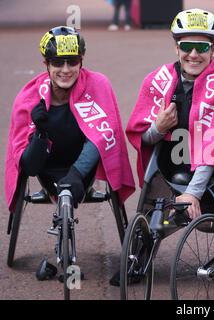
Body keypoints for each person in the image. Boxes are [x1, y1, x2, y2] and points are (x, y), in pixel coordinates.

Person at [4, 26, 135, 275]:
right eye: (57, 63)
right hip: (46, 166)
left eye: (72, 61)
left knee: (98, 140)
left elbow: (104, 137)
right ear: (46, 63)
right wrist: (40, 133)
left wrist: (77, 174)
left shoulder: (98, 84)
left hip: (84, 163)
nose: (65, 70)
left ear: (81, 61)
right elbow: (29, 167)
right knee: (37, 166)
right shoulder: (30, 96)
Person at [126, 8, 214, 219]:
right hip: (172, 163)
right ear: (176, 48)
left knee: (208, 221)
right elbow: (141, 137)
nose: (193, 54)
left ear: (213, 49)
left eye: (201, 47)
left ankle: (210, 204)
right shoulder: (156, 80)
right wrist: (158, 128)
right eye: (186, 46)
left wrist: (193, 192)